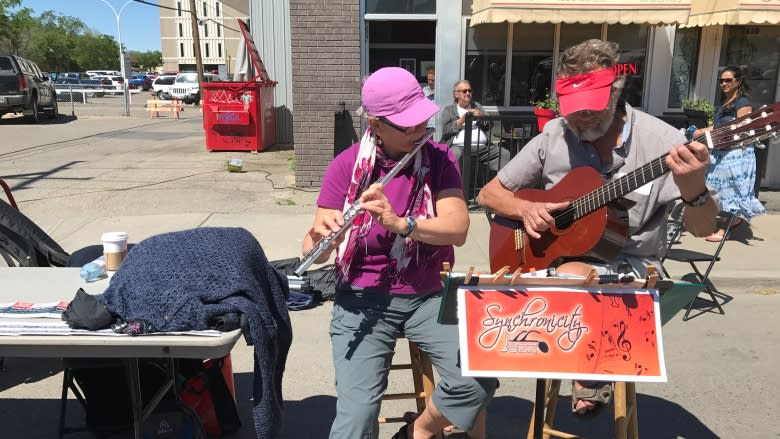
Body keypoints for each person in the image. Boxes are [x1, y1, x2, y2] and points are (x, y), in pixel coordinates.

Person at [477, 39, 718, 417]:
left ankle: (587, 365)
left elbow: (704, 229)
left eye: (591, 110)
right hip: (561, 259)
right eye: (573, 112)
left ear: (615, 93)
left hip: (632, 263)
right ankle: (567, 368)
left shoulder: (663, 142)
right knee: (501, 298)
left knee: (571, 280)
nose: (581, 121)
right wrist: (526, 210)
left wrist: (695, 190)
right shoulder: (555, 134)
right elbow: (490, 194)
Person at [301, 66, 496, 439]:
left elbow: (457, 229)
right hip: (362, 296)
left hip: (430, 295)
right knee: (356, 416)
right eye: (406, 127)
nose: (418, 132)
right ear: (375, 124)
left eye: (420, 122)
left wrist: (402, 223)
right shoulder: (345, 167)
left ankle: (416, 431)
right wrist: (318, 236)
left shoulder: (439, 160)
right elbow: (313, 250)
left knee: (478, 379)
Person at [693, 66, 765, 242]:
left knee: (730, 191)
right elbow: (720, 127)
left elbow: (741, 128)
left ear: (738, 81)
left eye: (728, 80)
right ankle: (727, 221)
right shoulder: (725, 103)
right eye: (721, 80)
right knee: (714, 188)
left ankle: (728, 225)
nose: (723, 83)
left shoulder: (743, 103)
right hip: (721, 152)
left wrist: (711, 132)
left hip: (737, 154)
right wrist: (703, 131)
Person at [440, 80, 510, 171]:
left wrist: (481, 117)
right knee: (453, 156)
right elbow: (446, 130)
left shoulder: (476, 106)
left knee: (504, 154)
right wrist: (462, 119)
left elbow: (489, 124)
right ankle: (456, 184)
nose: (468, 93)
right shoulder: (449, 109)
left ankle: (497, 183)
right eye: (464, 91)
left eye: (470, 91)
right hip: (459, 147)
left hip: (482, 147)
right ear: (456, 94)